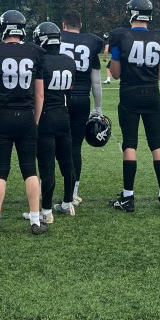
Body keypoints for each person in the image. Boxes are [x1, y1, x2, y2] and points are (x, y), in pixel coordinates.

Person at [0, 10, 46, 236]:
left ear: (3, 28)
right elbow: (40, 95)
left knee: (0, 171)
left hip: (2, 115)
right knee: (30, 169)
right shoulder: (35, 52)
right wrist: (35, 120)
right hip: (26, 115)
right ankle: (35, 221)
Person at [108, 0, 160, 213]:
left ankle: (128, 197)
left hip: (130, 93)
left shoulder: (121, 36)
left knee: (130, 144)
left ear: (131, 13)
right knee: (156, 143)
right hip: (152, 93)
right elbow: (159, 74)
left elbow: (115, 74)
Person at [25, 22, 76, 223]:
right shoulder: (69, 61)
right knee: (67, 162)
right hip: (64, 114)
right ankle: (67, 202)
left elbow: (33, 91)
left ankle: (46, 211)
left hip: (45, 115)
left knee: (47, 166)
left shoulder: (40, 61)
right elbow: (69, 89)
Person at [59, 11, 103, 207]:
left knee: (50, 144)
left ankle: (43, 189)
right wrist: (98, 107)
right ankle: (73, 193)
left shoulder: (56, 39)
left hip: (57, 99)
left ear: (63, 25)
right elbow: (96, 82)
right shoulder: (91, 42)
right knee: (75, 146)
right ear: (81, 25)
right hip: (81, 99)